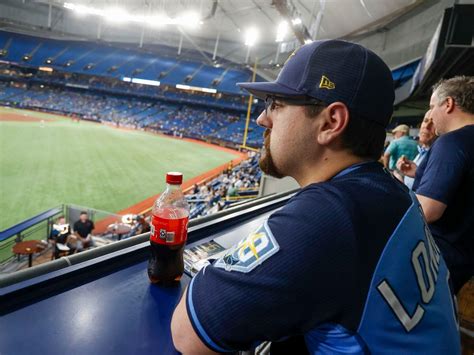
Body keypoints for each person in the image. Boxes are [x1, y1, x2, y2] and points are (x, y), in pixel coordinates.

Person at [171, 40, 460, 354]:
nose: (262, 119)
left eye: (276, 103)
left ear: (330, 122)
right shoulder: (392, 192)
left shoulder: (332, 215)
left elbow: (188, 335)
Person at [398, 76, 474, 293]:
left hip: (435, 258)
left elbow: (428, 210)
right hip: (464, 258)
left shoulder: (452, 141)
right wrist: (418, 173)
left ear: (448, 104)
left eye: (432, 107)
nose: (429, 115)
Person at [398, 110, 437, 189]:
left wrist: (418, 173)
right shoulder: (422, 151)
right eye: (425, 121)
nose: (426, 126)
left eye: (433, 123)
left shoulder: (440, 156)